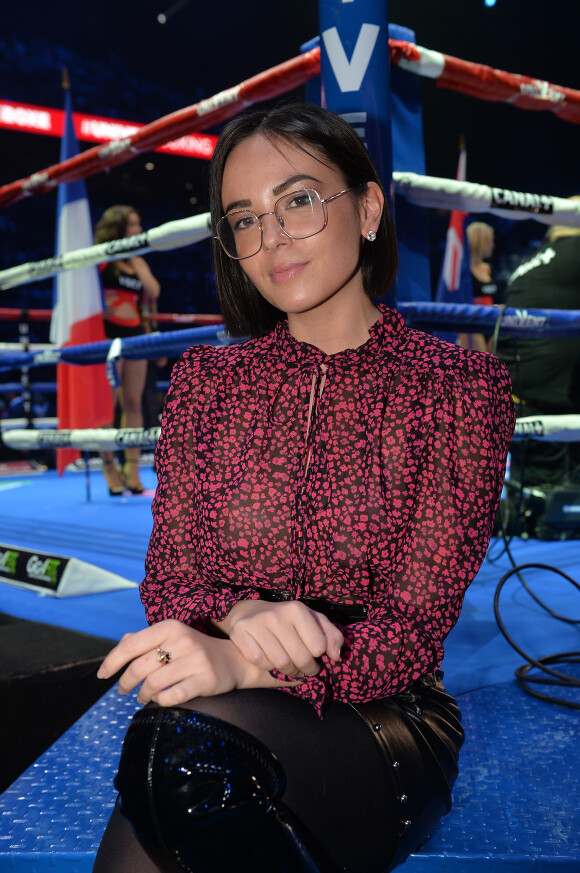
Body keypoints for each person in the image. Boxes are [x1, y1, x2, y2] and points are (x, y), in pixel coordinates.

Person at [92, 103, 515, 873]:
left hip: (384, 714)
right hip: (223, 707)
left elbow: (413, 627)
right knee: (172, 767)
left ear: (369, 207)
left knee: (175, 750)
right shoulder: (206, 383)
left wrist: (252, 666)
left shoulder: (461, 388)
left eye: (298, 200)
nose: (272, 236)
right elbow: (173, 575)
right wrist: (238, 612)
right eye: (244, 218)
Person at [497, 208, 580, 499]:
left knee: (534, 500)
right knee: (550, 502)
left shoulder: (533, 261)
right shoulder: (574, 250)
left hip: (519, 391)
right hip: (548, 398)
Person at [95, 205, 161, 495]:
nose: (138, 229)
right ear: (118, 227)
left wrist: (136, 258)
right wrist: (100, 308)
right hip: (107, 335)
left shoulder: (136, 260)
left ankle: (131, 468)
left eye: (138, 224)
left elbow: (154, 291)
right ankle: (108, 466)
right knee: (107, 406)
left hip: (134, 335)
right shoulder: (100, 257)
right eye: (132, 225)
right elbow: (86, 294)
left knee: (133, 402)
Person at [458, 221, 498, 353]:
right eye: (490, 241)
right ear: (481, 242)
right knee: (479, 367)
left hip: (491, 322)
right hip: (473, 324)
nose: (493, 245)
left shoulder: (487, 268)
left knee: (492, 365)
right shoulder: (463, 271)